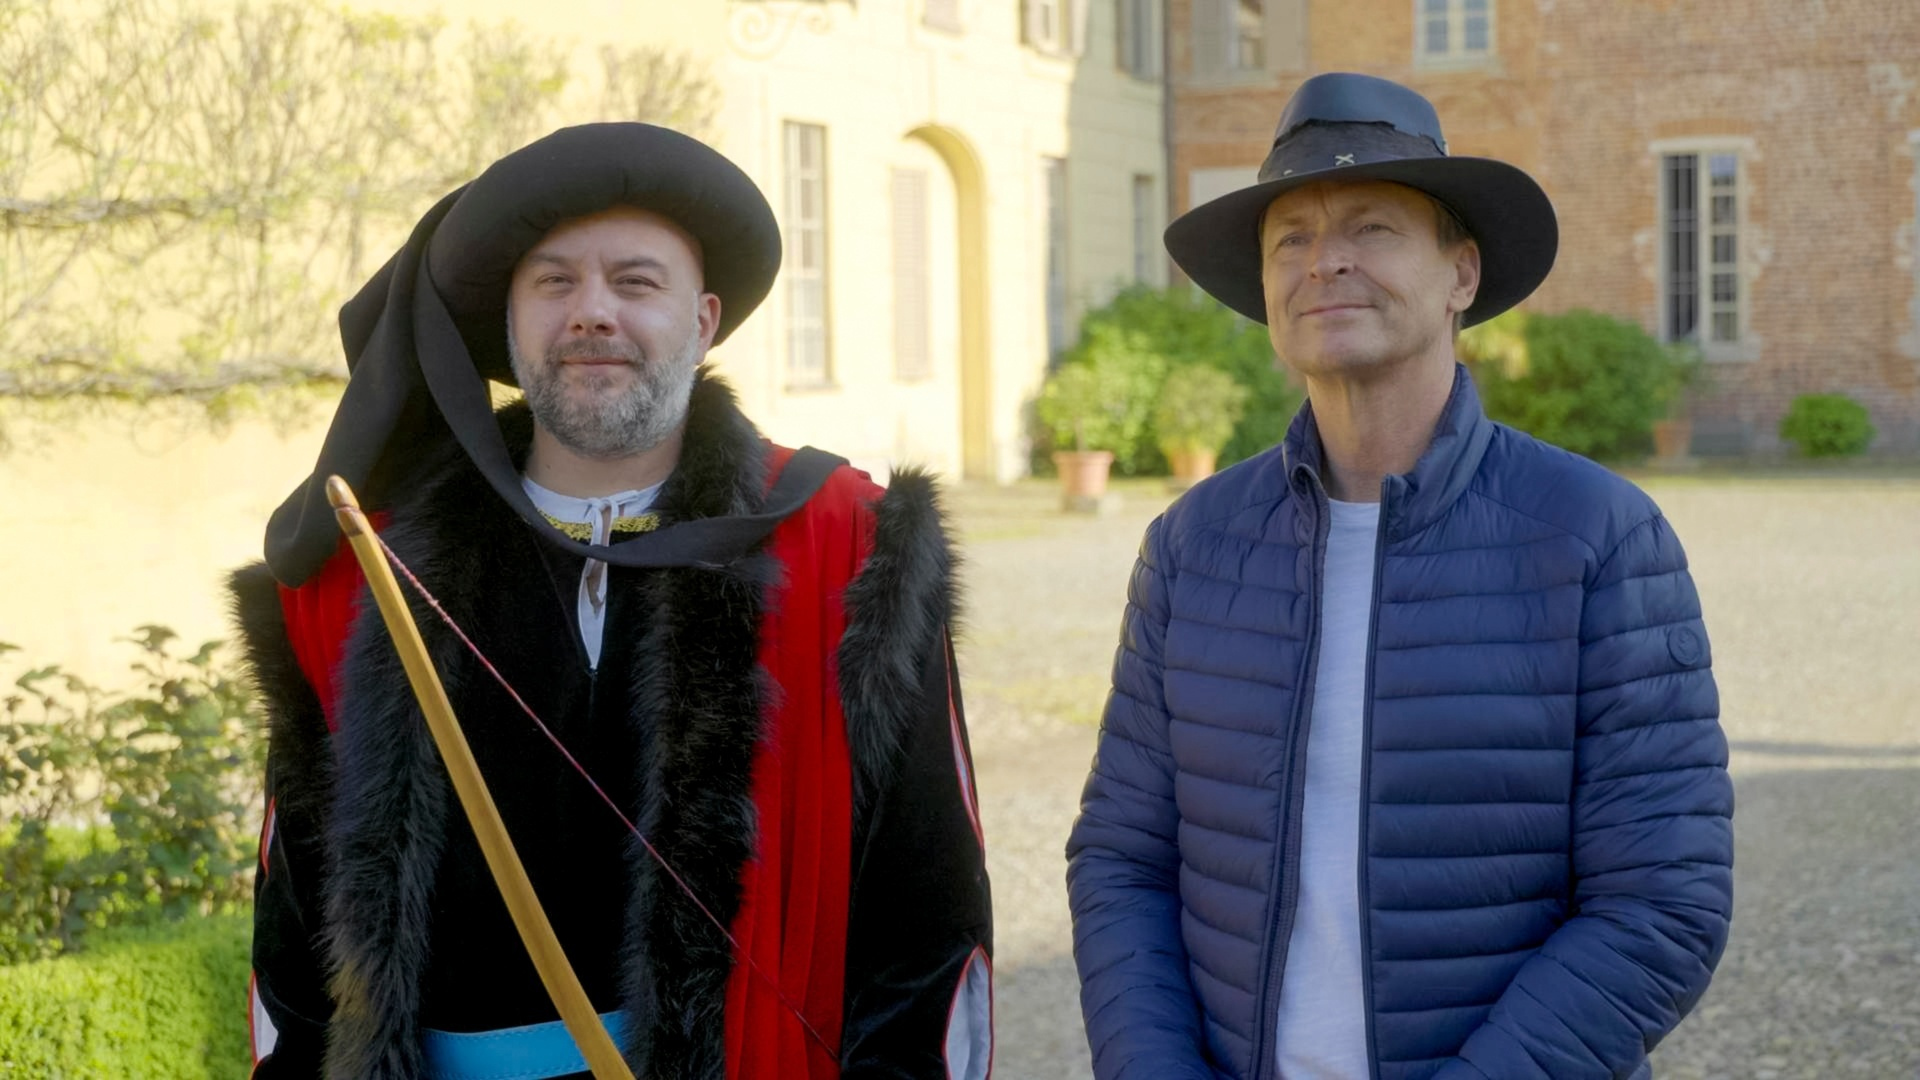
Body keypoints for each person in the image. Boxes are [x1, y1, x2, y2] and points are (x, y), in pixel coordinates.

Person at [230, 123, 992, 1080]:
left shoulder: (850, 547)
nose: (592, 313)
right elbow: (297, 950)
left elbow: (927, 915)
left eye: (636, 282)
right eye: (554, 283)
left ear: (704, 321)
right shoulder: (362, 579)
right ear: (510, 323)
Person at [1065, 73, 1732, 1080]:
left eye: (1372, 228)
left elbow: (1661, 902)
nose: (1324, 260)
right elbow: (1123, 859)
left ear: (1462, 273)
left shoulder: (1598, 540)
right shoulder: (1192, 547)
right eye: (1291, 237)